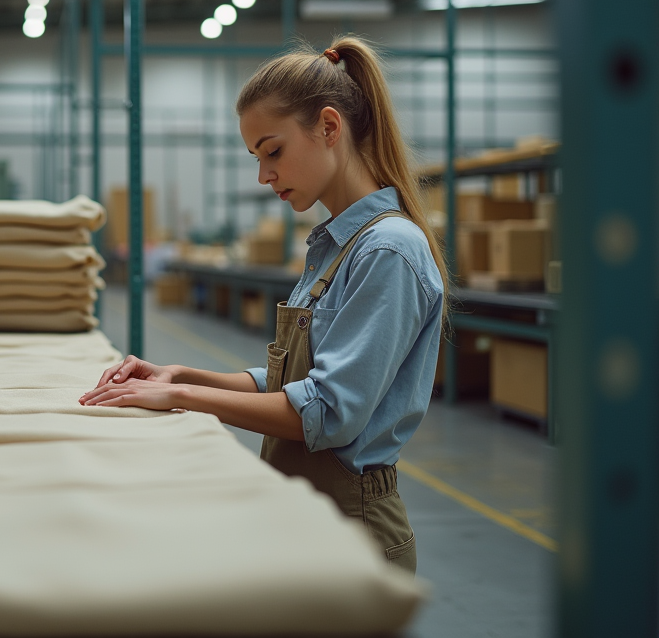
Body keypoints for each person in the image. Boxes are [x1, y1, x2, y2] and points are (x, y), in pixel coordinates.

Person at [80, 36, 447, 574]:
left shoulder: (387, 251)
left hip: (353, 534)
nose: (263, 175)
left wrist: (184, 397)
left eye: (272, 151)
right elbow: (291, 386)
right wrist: (181, 375)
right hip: (305, 513)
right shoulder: (334, 246)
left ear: (329, 126)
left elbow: (328, 411)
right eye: (256, 157)